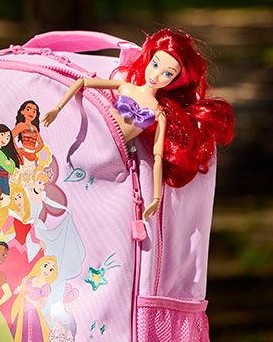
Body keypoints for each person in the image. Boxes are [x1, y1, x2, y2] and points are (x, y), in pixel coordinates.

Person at [42, 28, 234, 218]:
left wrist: (156, 198)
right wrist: (57, 109)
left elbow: (157, 157)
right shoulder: (126, 87)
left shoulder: (159, 113)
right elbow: (83, 82)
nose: (156, 75)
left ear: (175, 81)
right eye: (155, 64)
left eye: (167, 74)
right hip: (89, 139)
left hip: (113, 161)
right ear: (148, 58)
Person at [12, 100, 45, 167]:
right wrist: (17, 150)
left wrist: (34, 151)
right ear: (22, 111)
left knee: (30, 174)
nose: (31, 113)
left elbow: (41, 143)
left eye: (34, 111)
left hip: (32, 156)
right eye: (28, 109)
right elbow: (10, 137)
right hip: (23, 156)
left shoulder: (34, 128)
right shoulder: (21, 125)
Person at [0, 124, 21, 196]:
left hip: (5, 180)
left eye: (8, 138)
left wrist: (11, 163)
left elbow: (12, 165)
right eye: (2, 135)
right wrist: (12, 163)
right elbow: (11, 169)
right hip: (3, 181)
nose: (5, 139)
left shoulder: (1, 151)